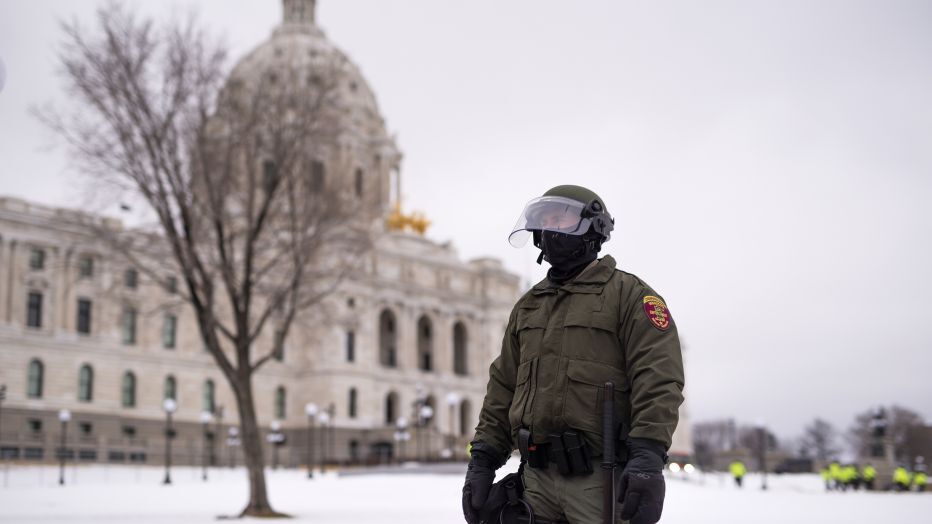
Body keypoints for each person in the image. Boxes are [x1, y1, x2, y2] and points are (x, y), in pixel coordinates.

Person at [461, 185, 685, 524]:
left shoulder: (629, 296)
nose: (550, 229)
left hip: (598, 480)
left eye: (560, 220)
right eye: (545, 221)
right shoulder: (528, 305)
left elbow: (659, 380)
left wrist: (647, 457)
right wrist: (482, 460)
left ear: (593, 227)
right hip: (535, 479)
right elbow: (503, 388)